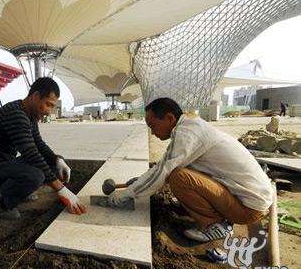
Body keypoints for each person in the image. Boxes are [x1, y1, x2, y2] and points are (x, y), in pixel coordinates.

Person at [107, 98, 272, 242]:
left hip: (247, 209)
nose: (152, 132)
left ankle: (214, 224)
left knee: (178, 178)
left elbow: (163, 171)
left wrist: (127, 194)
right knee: (177, 171)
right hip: (248, 199)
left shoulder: (187, 133)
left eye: (152, 125)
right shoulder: (190, 126)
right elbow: (164, 165)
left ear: (170, 118)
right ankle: (203, 208)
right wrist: (140, 180)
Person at [0, 77, 87, 219]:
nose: (49, 111)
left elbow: (38, 144)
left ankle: (18, 190)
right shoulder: (16, 115)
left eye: (52, 106)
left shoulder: (30, 115)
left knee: (53, 161)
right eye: (48, 104)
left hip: (6, 165)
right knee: (35, 176)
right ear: (35, 96)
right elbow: (31, 153)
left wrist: (56, 159)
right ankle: (1, 198)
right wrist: (61, 189)